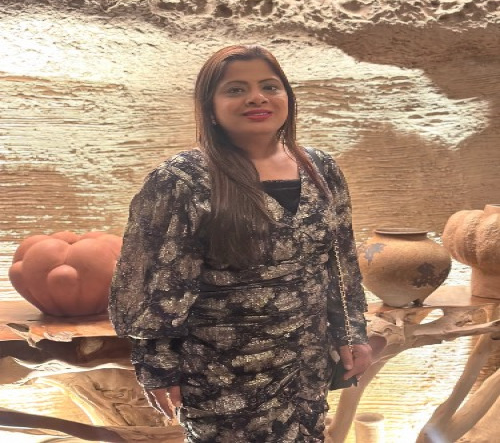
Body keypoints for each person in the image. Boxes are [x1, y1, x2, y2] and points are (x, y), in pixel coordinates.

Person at [109, 45, 372, 442]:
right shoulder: (182, 180)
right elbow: (158, 282)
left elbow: (340, 260)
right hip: (222, 375)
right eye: (236, 89)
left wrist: (352, 333)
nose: (256, 97)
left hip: (305, 364)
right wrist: (156, 365)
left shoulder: (321, 169)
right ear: (210, 108)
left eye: (270, 86)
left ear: (288, 98)